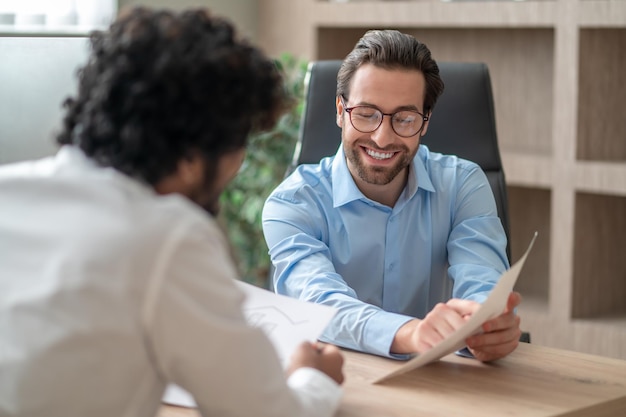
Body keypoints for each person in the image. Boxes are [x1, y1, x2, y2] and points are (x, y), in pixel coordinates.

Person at [0, 8, 344, 417]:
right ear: (192, 158)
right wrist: (314, 377)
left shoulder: (9, 188)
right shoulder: (166, 236)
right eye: (240, 141)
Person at [262, 29, 522, 362]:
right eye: (366, 114)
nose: (382, 138)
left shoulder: (463, 184)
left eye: (404, 119)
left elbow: (482, 283)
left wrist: (487, 325)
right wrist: (410, 333)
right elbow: (320, 303)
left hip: (442, 383)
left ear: (425, 122)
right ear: (341, 110)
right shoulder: (292, 203)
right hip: (332, 381)